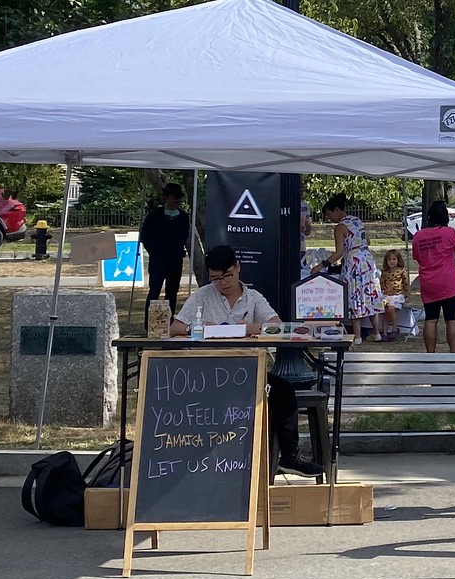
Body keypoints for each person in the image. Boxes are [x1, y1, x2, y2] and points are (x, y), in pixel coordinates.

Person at [171, 246, 322, 478]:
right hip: (208, 372)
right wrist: (196, 328)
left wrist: (247, 329)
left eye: (227, 275)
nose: (222, 283)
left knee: (283, 391)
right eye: (216, 278)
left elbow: (277, 326)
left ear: (238, 267)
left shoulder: (253, 298)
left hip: (247, 369)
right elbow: (174, 327)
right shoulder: (202, 295)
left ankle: (290, 457)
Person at [321, 194, 384, 339]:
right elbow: (367, 240)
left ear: (337, 210)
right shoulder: (357, 221)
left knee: (355, 296)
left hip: (353, 262)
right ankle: (376, 332)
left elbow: (339, 252)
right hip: (367, 260)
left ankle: (357, 336)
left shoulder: (340, 227)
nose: (329, 218)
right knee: (370, 293)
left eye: (329, 214)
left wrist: (323, 265)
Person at [412, 201, 455, 353]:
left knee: (431, 319)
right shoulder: (449, 232)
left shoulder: (418, 236)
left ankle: (430, 355)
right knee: (451, 320)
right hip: (449, 283)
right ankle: (454, 354)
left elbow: (417, 257)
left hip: (429, 282)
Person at [137, 181, 191, 329]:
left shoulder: (183, 217)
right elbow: (145, 237)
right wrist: (155, 252)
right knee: (154, 290)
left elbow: (184, 235)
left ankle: (168, 323)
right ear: (166, 198)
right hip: (158, 260)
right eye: (174, 197)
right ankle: (149, 324)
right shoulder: (154, 216)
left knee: (172, 292)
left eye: (179, 198)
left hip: (175, 260)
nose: (177, 201)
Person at [378, 249, 409, 340]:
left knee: (391, 308)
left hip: (397, 295)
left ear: (398, 260)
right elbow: (381, 284)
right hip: (387, 294)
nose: (392, 261)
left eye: (394, 259)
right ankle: (384, 333)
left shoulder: (402, 271)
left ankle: (395, 329)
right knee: (386, 313)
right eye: (389, 259)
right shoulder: (384, 272)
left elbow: (406, 283)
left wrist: (407, 295)